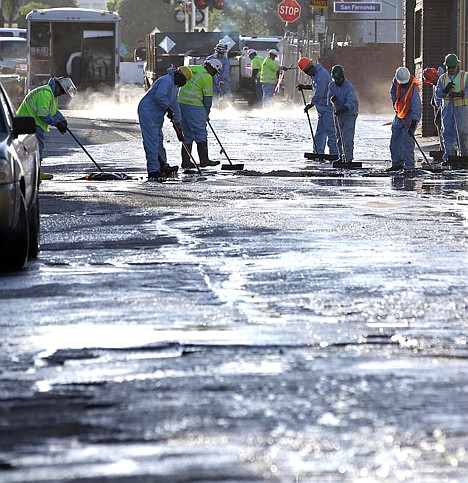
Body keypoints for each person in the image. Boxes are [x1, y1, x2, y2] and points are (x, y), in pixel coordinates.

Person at [16, 76, 77, 181]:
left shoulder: (51, 94)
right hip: (28, 123)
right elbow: (43, 114)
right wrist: (56, 123)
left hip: (31, 122)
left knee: (33, 148)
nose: (61, 94)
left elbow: (53, 111)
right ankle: (35, 173)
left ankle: (36, 171)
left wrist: (62, 119)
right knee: (36, 148)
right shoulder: (45, 93)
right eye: (62, 91)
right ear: (57, 86)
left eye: (63, 93)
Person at [137, 66, 192, 180]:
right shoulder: (166, 81)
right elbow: (160, 97)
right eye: (184, 81)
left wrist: (178, 122)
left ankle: (163, 166)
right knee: (151, 140)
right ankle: (153, 169)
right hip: (148, 111)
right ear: (178, 76)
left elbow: (175, 104)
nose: (183, 84)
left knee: (158, 139)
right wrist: (168, 108)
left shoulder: (175, 86)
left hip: (157, 114)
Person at [178, 59, 222, 168]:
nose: (214, 75)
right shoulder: (207, 77)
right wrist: (206, 113)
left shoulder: (192, 68)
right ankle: (204, 160)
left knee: (187, 134)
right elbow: (207, 99)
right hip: (194, 106)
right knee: (200, 132)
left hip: (181, 103)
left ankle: (186, 161)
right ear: (212, 68)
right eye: (215, 72)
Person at [297, 57, 338, 159]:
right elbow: (315, 87)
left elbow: (319, 93)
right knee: (320, 132)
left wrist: (310, 105)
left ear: (310, 67)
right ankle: (318, 151)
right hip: (322, 109)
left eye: (306, 71)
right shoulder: (316, 75)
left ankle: (334, 153)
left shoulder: (321, 75)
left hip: (328, 108)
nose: (306, 74)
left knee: (330, 131)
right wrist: (305, 87)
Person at [388, 66, 422, 171]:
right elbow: (393, 93)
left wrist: (414, 124)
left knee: (407, 141)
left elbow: (417, 107)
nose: (402, 85)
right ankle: (396, 163)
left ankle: (409, 166)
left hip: (410, 116)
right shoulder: (396, 82)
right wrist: (395, 104)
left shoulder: (413, 88)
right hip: (400, 115)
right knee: (395, 140)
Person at [435, 53, 468, 161]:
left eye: (453, 67)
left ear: (457, 65)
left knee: (462, 132)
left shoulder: (465, 76)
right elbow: (438, 94)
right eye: (449, 67)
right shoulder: (442, 78)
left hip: (462, 108)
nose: (451, 69)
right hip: (447, 108)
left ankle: (465, 154)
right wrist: (445, 91)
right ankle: (450, 155)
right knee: (447, 131)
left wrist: (460, 94)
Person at [328, 64, 359, 162]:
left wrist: (343, 109)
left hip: (349, 114)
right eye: (335, 79)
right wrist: (331, 99)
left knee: (347, 137)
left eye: (339, 79)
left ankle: (348, 158)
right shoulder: (332, 85)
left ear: (343, 77)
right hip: (338, 114)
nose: (337, 81)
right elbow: (329, 98)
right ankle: (341, 157)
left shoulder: (348, 87)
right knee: (339, 136)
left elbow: (351, 102)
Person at [423, 67, 444, 152]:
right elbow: (436, 95)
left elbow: (443, 98)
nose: (432, 83)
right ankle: (442, 148)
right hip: (438, 107)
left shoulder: (442, 81)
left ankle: (446, 150)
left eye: (432, 81)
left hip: (444, 109)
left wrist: (438, 113)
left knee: (445, 130)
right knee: (440, 128)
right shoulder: (435, 82)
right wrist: (433, 101)